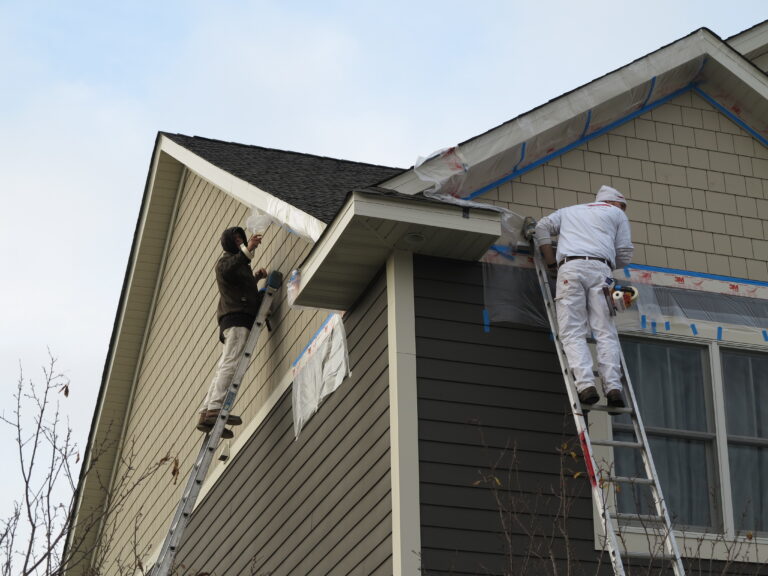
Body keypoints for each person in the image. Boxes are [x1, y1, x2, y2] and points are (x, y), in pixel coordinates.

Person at [534, 185, 633, 412]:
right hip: (601, 271)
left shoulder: (569, 211)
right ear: (616, 203)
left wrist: (550, 261)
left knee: (572, 330)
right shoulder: (616, 214)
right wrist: (604, 260)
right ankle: (613, 389)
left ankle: (586, 385)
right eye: (623, 207)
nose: (623, 211)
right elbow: (625, 253)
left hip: (570, 267)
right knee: (605, 331)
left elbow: (541, 227)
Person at [197, 226, 268, 437]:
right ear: (228, 242)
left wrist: (255, 279)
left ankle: (206, 413)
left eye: (241, 237)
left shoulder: (239, 267)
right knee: (231, 363)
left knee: (224, 364)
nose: (239, 240)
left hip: (234, 318)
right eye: (235, 238)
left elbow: (239, 289)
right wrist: (247, 251)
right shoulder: (224, 262)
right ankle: (215, 409)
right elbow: (227, 270)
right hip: (237, 319)